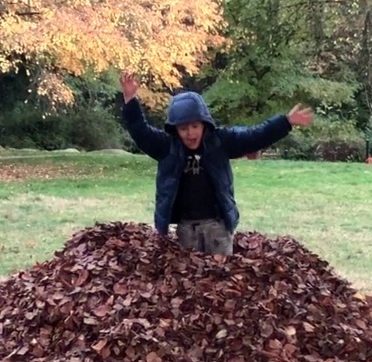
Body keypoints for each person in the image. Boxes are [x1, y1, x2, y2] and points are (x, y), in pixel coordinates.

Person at [118, 71, 313, 255]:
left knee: (221, 279)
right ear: (175, 129)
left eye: (195, 126)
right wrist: (130, 100)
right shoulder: (167, 146)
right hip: (187, 228)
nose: (190, 133)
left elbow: (255, 136)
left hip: (218, 226)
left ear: (205, 124)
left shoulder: (221, 141)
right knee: (189, 277)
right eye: (183, 128)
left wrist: (285, 122)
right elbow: (141, 132)